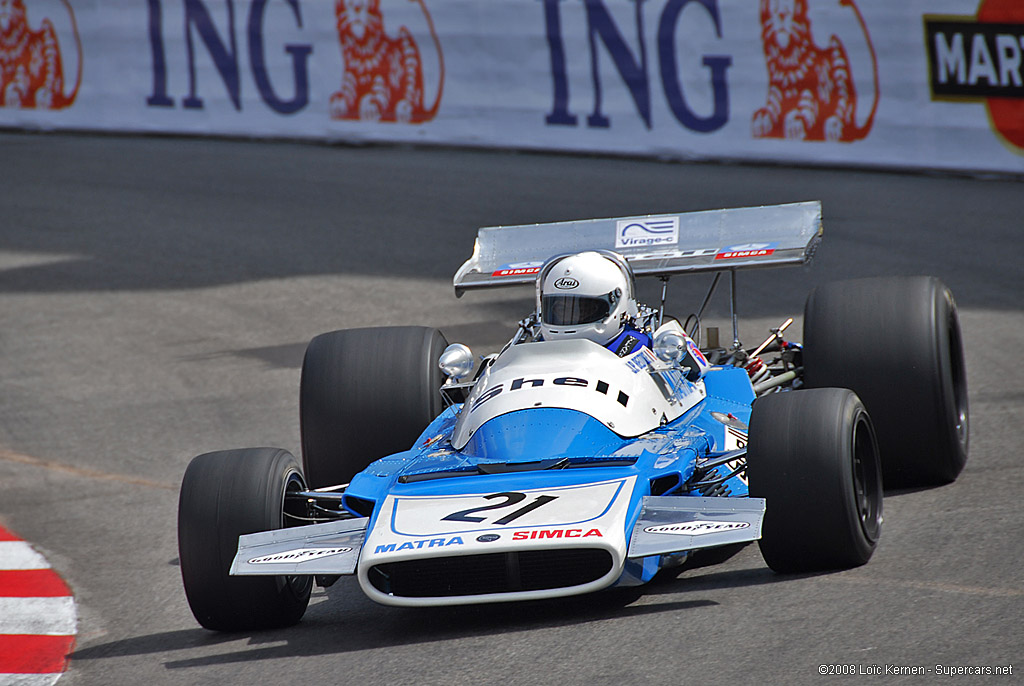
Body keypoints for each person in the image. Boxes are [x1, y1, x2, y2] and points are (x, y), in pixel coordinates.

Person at [536, 251, 651, 357]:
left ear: (615, 303)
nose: (569, 316)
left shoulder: (636, 351)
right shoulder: (536, 351)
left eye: (583, 309)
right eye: (560, 309)